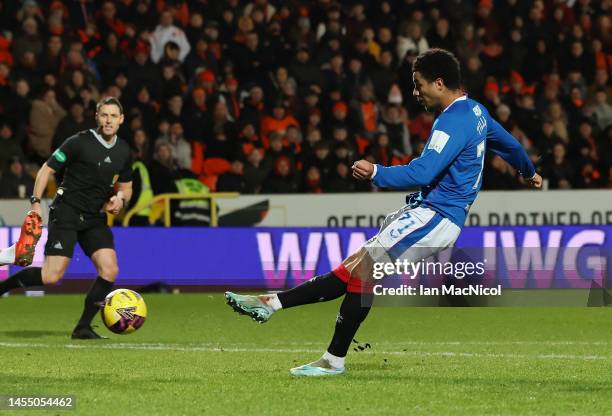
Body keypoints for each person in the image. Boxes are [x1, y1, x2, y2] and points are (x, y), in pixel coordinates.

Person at [224, 49, 543, 376]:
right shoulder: (476, 111)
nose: (415, 93)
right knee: (352, 270)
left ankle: (333, 360)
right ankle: (272, 303)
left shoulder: (451, 121)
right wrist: (529, 172)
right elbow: (511, 146)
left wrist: (376, 172)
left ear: (439, 83)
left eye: (419, 85)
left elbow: (422, 173)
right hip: (431, 214)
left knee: (364, 273)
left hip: (434, 216)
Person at [0, 97, 133, 340]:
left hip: (94, 217)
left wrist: (121, 199)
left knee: (110, 270)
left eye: (114, 116)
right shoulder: (79, 142)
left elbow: (127, 187)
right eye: (104, 115)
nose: (109, 120)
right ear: (97, 116)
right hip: (67, 211)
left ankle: (82, 327)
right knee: (52, 276)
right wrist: (36, 203)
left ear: (121, 119)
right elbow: (46, 170)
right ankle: (3, 287)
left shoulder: (124, 151)